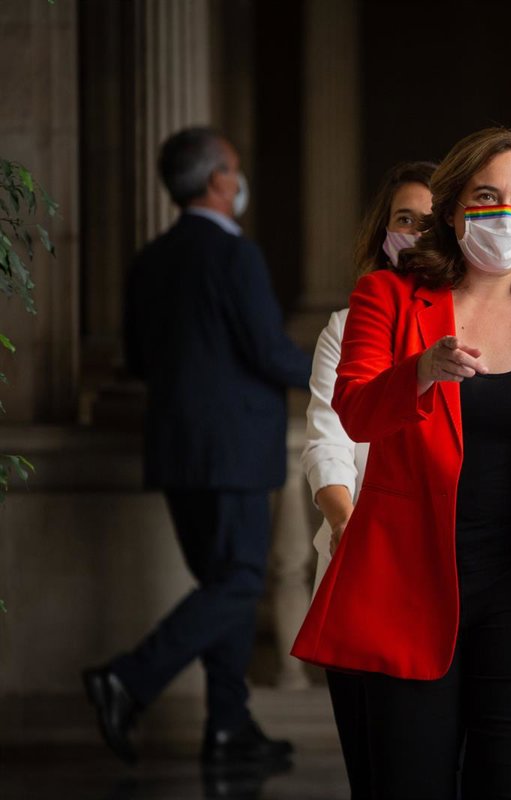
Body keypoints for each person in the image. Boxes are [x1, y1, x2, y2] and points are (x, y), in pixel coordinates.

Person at [291, 127, 511, 798]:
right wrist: (420, 371)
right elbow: (356, 412)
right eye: (486, 196)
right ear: (452, 208)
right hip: (408, 587)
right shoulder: (388, 297)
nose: (504, 213)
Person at [84, 127, 311, 766]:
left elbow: (138, 358)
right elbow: (268, 352)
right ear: (218, 181)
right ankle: (126, 679)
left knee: (221, 583)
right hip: (233, 451)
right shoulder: (236, 256)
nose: (238, 181)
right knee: (238, 581)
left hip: (176, 450)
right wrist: (342, 372)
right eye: (233, 169)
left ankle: (228, 725)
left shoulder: (149, 259)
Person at [299, 159, 435, 798]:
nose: (416, 233)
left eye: (430, 222)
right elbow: (328, 437)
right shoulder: (347, 326)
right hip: (362, 567)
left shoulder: (483, 326)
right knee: (375, 771)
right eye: (404, 219)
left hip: (447, 573)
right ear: (384, 232)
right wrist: (346, 522)